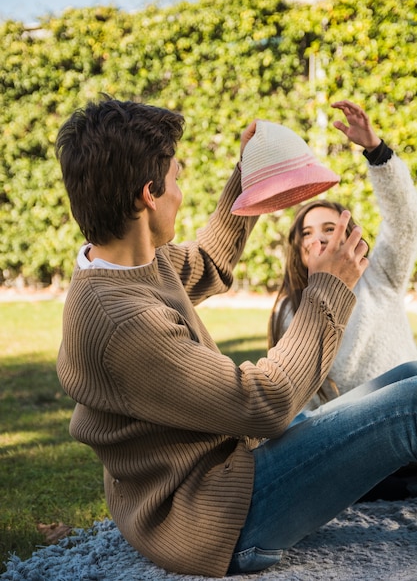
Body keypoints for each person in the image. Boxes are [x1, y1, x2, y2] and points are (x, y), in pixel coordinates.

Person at [55, 97, 417, 578]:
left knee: (408, 378)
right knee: (411, 403)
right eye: (177, 179)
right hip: (215, 516)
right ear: (149, 194)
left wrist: (253, 175)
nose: (181, 193)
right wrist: (328, 289)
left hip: (226, 474)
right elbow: (264, 403)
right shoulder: (122, 319)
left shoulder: (134, 265)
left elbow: (208, 260)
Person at [268, 100, 417, 408]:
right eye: (307, 233)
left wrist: (376, 151)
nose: (319, 238)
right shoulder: (290, 311)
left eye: (330, 228)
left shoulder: (380, 277)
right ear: (298, 251)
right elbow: (296, 395)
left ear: (351, 239)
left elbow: (406, 221)